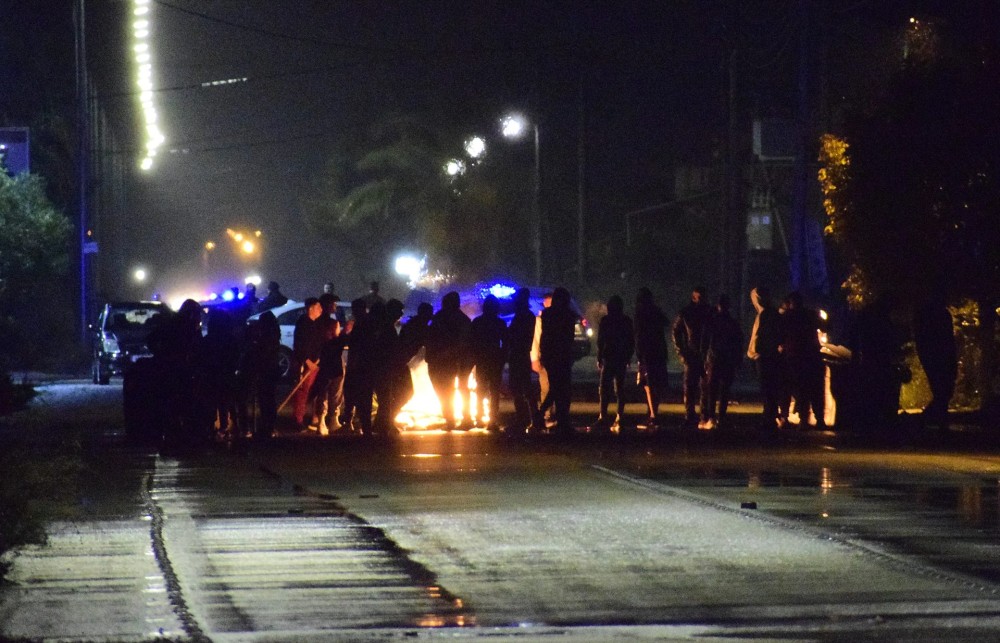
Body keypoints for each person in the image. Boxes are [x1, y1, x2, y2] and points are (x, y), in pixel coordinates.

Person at [425, 291, 472, 430]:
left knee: (446, 390)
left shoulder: (444, 318)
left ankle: (454, 419)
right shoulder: (460, 319)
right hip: (448, 360)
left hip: (446, 361)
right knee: (453, 389)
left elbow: (462, 341)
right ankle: (460, 418)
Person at [781, 291, 826, 429]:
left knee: (801, 389)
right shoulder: (811, 315)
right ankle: (819, 420)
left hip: (795, 356)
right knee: (816, 390)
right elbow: (826, 326)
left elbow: (780, 334)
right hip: (812, 355)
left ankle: (804, 420)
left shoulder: (787, 316)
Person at [747, 286, 787, 431]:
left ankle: (769, 418)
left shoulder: (764, 315)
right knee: (771, 388)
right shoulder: (773, 314)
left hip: (764, 356)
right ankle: (770, 415)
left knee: (767, 388)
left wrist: (755, 351)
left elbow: (759, 337)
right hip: (771, 355)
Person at [914, 295, 957, 429]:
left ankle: (934, 420)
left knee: (943, 391)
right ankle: (936, 420)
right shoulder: (939, 315)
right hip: (939, 356)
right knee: (943, 390)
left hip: (935, 356)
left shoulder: (928, 314)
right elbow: (948, 340)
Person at [700, 294, 743, 430]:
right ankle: (721, 417)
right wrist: (737, 359)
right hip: (727, 359)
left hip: (714, 359)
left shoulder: (712, 322)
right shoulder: (733, 323)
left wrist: (704, 358)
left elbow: (705, 341)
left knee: (712, 389)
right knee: (724, 389)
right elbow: (738, 342)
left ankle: (711, 417)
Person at [672, 286, 712, 426]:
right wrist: (682, 353)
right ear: (694, 297)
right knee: (690, 387)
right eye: (699, 297)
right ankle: (690, 415)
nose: (701, 300)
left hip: (706, 354)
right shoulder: (686, 313)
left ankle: (704, 415)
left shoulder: (709, 312)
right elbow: (675, 332)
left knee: (706, 387)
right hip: (692, 354)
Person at [237, 310, 280, 440]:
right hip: (269, 370)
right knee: (268, 399)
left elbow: (250, 351)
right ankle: (268, 427)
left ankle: (248, 428)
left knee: (249, 398)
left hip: (256, 369)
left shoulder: (260, 336)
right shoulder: (274, 336)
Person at [539, 287, 577, 434]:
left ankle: (546, 414)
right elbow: (569, 337)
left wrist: (543, 353)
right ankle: (560, 419)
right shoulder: (568, 315)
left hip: (551, 355)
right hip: (562, 355)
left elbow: (545, 336)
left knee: (556, 387)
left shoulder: (547, 314)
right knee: (563, 389)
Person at [595, 295, 634, 432]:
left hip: (609, 356)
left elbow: (601, 340)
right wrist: (629, 356)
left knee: (605, 387)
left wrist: (599, 357)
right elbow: (630, 341)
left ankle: (603, 415)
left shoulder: (606, 320)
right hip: (620, 357)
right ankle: (619, 416)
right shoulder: (626, 321)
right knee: (619, 387)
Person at [470, 294, 507, 429]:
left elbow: (471, 341)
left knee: (481, 389)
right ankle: (492, 420)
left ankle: (479, 418)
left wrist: (473, 356)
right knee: (494, 390)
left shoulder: (477, 322)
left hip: (482, 359)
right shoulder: (499, 323)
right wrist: (503, 356)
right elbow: (506, 342)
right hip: (494, 359)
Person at [634, 287, 670, 428]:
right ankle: (653, 413)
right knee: (656, 383)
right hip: (659, 352)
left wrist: (639, 354)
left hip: (647, 353)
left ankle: (653, 416)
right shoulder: (656, 312)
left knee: (648, 385)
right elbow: (666, 323)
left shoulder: (640, 314)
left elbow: (638, 336)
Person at [341, 298, 378, 434]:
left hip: (360, 365)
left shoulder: (363, 324)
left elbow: (357, 344)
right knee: (362, 395)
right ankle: (360, 424)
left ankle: (361, 425)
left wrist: (345, 335)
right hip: (364, 365)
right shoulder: (366, 322)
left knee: (357, 394)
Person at [290, 297, 326, 430]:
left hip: (315, 363)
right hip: (305, 364)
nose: (321, 310)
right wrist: (307, 361)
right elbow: (299, 345)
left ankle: (306, 418)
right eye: (318, 307)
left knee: (310, 392)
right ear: (311, 308)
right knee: (301, 391)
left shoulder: (315, 323)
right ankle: (297, 420)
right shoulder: (303, 323)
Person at [506, 288, 537, 433]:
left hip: (519, 354)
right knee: (525, 387)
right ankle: (532, 418)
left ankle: (524, 419)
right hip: (521, 354)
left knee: (518, 387)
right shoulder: (526, 315)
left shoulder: (523, 316)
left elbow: (514, 335)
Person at [309, 314, 346, 435]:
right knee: (335, 396)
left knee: (322, 395)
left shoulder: (322, 342)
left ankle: (321, 421)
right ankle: (332, 421)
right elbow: (345, 339)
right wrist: (347, 330)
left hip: (324, 371)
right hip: (335, 371)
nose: (339, 329)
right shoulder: (336, 341)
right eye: (337, 327)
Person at [530, 292, 554, 427]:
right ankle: (546, 415)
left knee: (553, 387)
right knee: (546, 387)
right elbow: (536, 340)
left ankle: (549, 414)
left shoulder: (555, 319)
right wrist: (535, 359)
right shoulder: (540, 320)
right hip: (545, 358)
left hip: (554, 358)